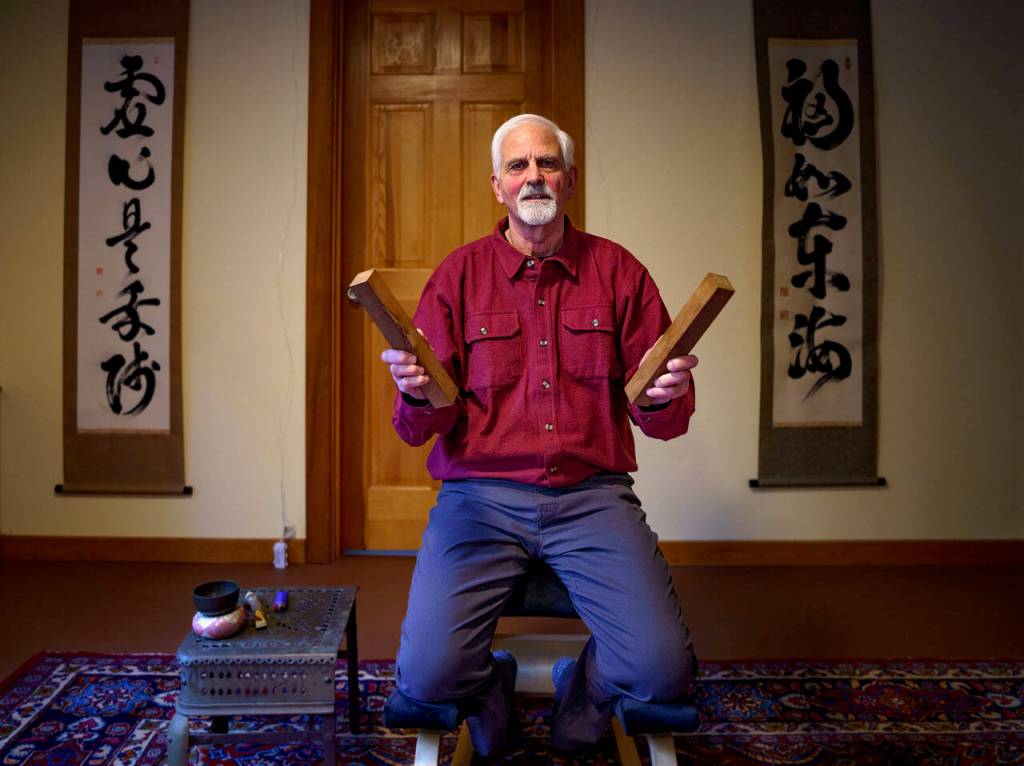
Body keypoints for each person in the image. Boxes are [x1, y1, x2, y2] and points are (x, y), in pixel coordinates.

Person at [382, 113, 698, 757]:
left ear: (570, 179)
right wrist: (415, 393)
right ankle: (492, 694)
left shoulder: (620, 273)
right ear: (496, 185)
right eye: (518, 166)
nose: (534, 176)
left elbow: (661, 418)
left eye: (547, 163)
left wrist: (668, 395)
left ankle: (578, 707)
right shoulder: (457, 277)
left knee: (664, 670)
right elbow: (420, 428)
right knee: (427, 676)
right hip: (478, 500)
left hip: (593, 496)